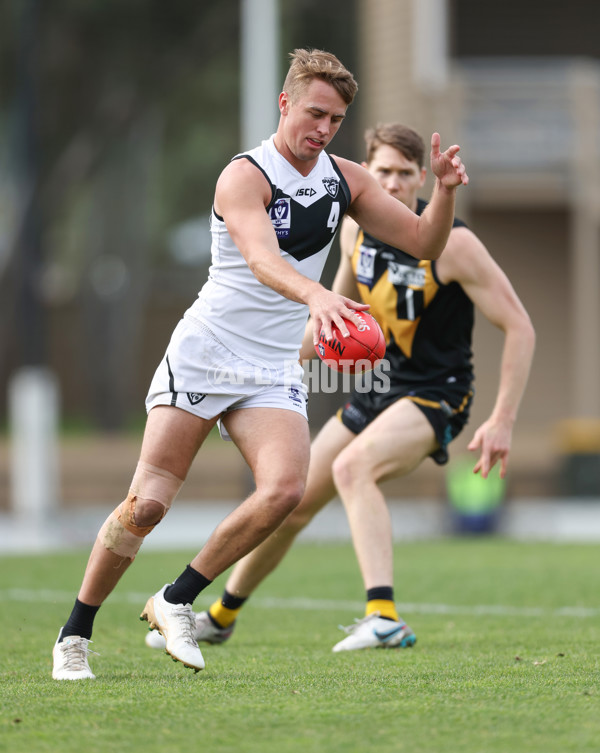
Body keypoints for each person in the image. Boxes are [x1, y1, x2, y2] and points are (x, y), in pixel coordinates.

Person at [52, 52, 469, 680]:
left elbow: (424, 243)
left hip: (271, 364)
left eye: (336, 118)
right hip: (207, 351)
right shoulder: (244, 176)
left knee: (284, 491)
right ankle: (74, 634)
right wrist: (321, 296)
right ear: (285, 103)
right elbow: (261, 260)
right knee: (147, 506)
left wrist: (443, 191)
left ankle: (176, 599)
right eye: (315, 113)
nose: (325, 128)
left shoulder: (345, 179)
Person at [145, 122, 534, 655]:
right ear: (366, 175)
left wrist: (503, 418)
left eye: (404, 173)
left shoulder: (455, 246)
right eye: (383, 172)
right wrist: (249, 372)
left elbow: (520, 326)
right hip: (378, 388)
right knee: (291, 498)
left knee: (355, 468)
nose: (393, 184)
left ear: (422, 177)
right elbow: (335, 325)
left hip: (436, 392)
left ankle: (383, 615)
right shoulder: (354, 232)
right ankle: (221, 614)